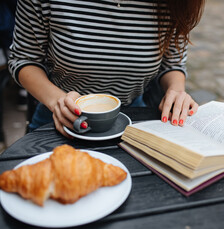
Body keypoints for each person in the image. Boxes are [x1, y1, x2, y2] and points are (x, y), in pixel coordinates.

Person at [8, 0, 205, 138]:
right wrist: (57, 100)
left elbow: (172, 63)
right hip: (60, 118)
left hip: (133, 119)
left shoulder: (177, 3)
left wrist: (176, 90)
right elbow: (23, 58)